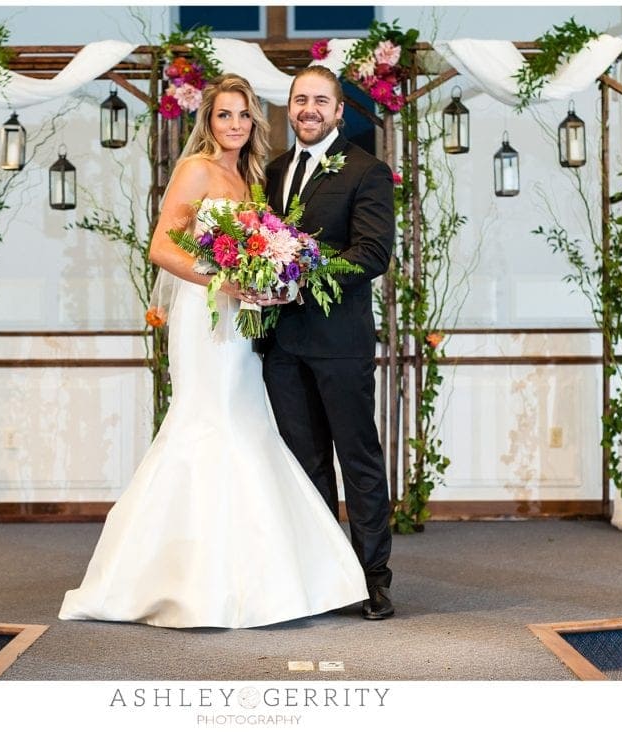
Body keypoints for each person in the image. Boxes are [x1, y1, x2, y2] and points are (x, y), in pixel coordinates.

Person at [59, 74, 367, 629]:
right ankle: (181, 579)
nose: (235, 125)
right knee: (206, 424)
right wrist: (221, 285)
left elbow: (262, 251)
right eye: (225, 115)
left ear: (255, 122)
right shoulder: (195, 168)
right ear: (209, 121)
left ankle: (257, 577)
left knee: (250, 426)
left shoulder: (252, 180)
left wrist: (265, 280)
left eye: (244, 115)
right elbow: (160, 247)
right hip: (205, 319)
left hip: (246, 322)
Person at [259, 66, 396, 620]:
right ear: (289, 109)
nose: (308, 109)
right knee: (305, 463)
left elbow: (372, 254)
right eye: (299, 100)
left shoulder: (368, 170)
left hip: (340, 342)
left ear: (340, 110)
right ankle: (323, 577)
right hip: (282, 348)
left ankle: (374, 580)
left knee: (357, 459)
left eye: (320, 100)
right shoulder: (272, 172)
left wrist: (298, 273)